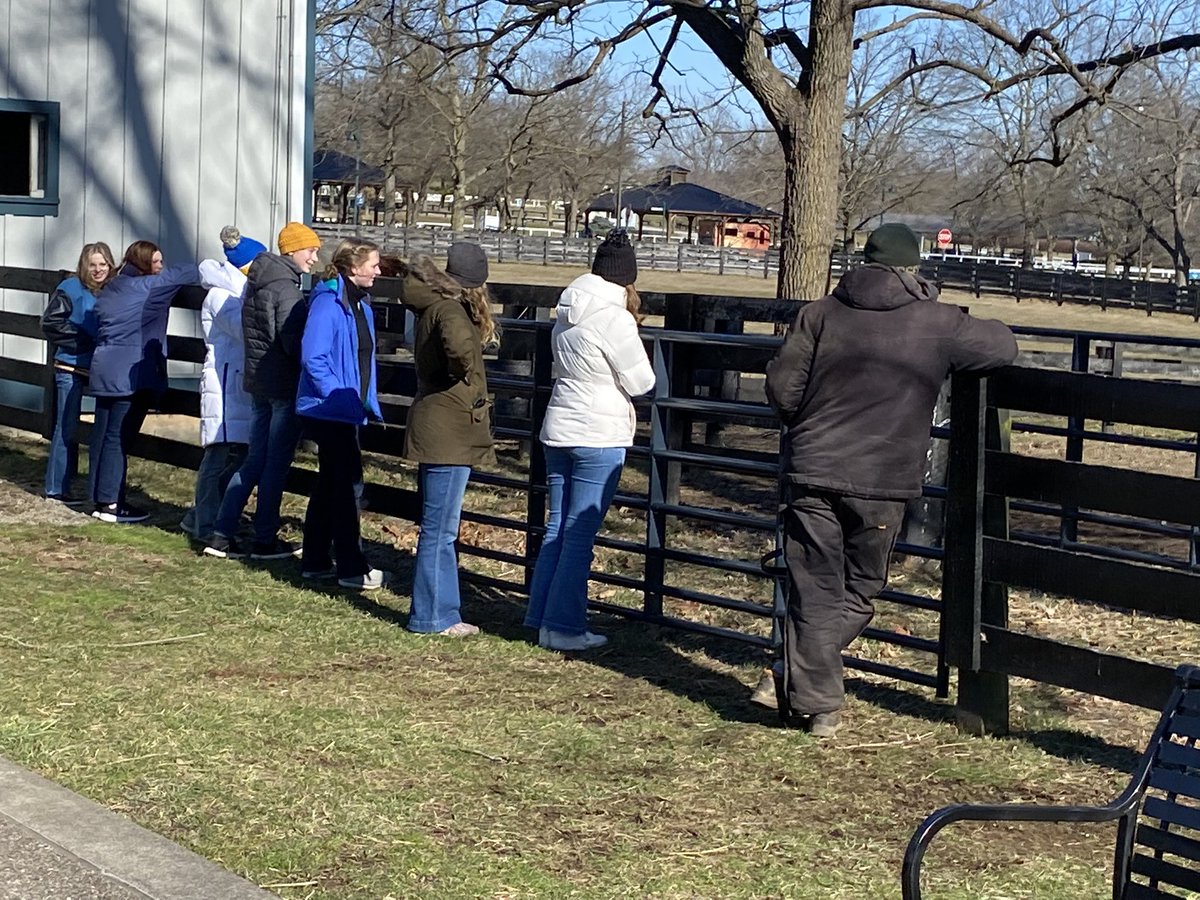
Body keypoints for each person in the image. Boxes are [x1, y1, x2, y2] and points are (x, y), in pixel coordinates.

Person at [763, 223, 1018, 737]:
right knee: (862, 585)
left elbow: (782, 391)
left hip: (813, 469)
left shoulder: (820, 314)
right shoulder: (938, 322)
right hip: (884, 476)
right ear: (913, 267)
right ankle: (809, 693)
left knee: (815, 587)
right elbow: (1002, 346)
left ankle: (810, 694)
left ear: (865, 260)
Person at [523, 229, 655, 651]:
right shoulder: (614, 318)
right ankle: (564, 626)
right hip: (599, 431)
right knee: (579, 535)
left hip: (559, 424)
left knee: (557, 526)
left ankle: (540, 616)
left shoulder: (566, 311)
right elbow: (641, 381)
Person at [205, 221, 321, 560]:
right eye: (311, 250)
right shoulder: (285, 288)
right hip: (282, 386)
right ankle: (264, 538)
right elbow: (291, 339)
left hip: (259, 383)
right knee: (275, 465)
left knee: (255, 459)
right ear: (293, 250)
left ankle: (221, 532)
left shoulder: (258, 282)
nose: (314, 257)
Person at [403, 243, 497, 636]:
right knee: (440, 528)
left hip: (437, 421)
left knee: (438, 526)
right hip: (449, 425)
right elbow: (458, 348)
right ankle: (432, 616)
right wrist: (469, 376)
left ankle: (441, 610)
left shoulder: (431, 305)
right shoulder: (451, 310)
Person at [296, 239, 389, 589]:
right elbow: (314, 357)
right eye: (373, 265)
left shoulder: (359, 305)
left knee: (330, 485)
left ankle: (316, 559)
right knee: (347, 486)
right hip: (328, 409)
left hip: (347, 408)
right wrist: (339, 394)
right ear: (353, 267)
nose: (378, 271)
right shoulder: (329, 303)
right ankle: (351, 566)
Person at [88, 241, 200, 523]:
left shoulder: (111, 286)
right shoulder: (150, 286)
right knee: (118, 438)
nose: (161, 266)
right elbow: (189, 272)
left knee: (104, 435)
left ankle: (99, 498)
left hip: (104, 367)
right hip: (130, 374)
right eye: (157, 261)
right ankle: (111, 504)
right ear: (145, 264)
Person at [180, 227, 264, 545]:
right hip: (225, 381)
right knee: (219, 456)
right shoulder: (222, 295)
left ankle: (201, 516)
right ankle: (204, 525)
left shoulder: (236, 293)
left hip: (237, 382)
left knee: (237, 454)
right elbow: (245, 331)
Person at [41, 242, 115, 504]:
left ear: (110, 265)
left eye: (103, 264)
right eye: (92, 264)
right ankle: (56, 488)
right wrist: (84, 340)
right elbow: (51, 323)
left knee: (105, 431)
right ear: (84, 266)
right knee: (66, 426)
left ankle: (100, 490)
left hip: (102, 368)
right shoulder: (70, 288)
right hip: (71, 364)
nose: (98, 270)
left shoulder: (113, 291)